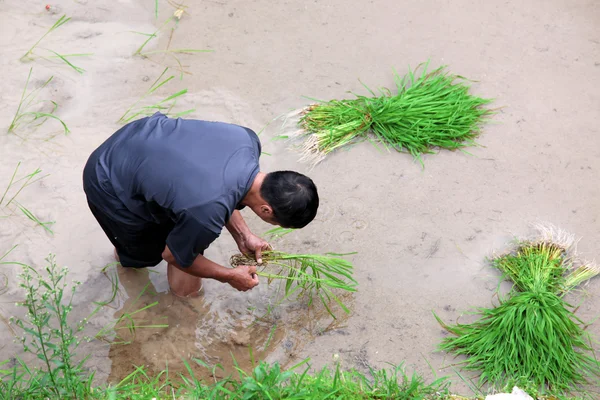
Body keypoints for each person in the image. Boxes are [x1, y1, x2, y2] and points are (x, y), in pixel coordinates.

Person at [82, 112, 319, 297]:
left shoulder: (247, 140)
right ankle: (134, 281)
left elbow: (220, 186)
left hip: (142, 134)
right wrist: (229, 276)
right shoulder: (206, 211)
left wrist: (243, 235)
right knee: (144, 256)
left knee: (189, 235)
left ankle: (179, 293)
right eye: (273, 221)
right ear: (266, 211)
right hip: (108, 177)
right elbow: (174, 256)